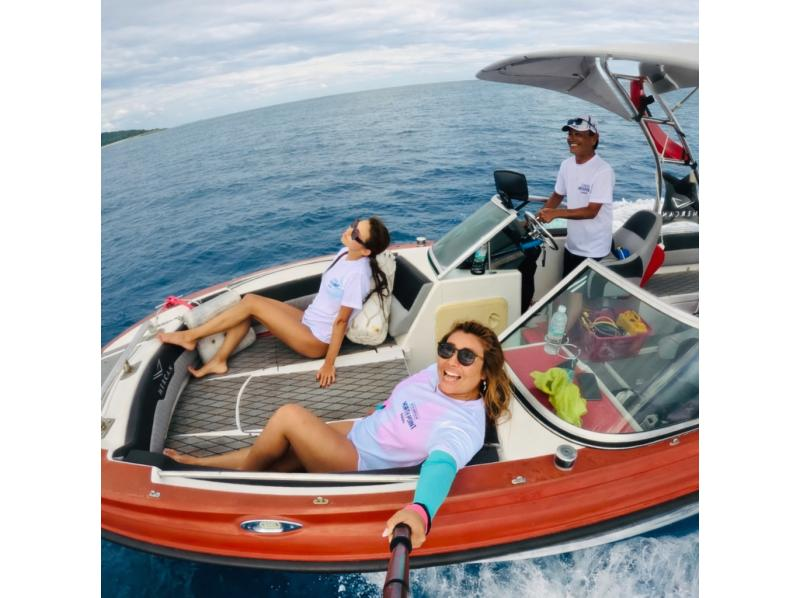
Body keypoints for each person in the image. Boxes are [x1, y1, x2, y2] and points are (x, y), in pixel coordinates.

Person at [163, 320, 512, 549]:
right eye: (447, 349)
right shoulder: (438, 374)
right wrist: (381, 411)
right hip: (363, 429)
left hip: (360, 461)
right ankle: (200, 464)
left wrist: (420, 512)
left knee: (288, 416)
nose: (452, 362)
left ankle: (239, 487)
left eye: (467, 357)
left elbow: (442, 466)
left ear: (485, 370)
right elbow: (404, 397)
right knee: (284, 452)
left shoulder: (463, 425)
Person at [158, 216, 390, 387]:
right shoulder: (343, 253)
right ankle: (218, 361)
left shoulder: (357, 275)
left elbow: (341, 322)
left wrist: (329, 364)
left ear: (366, 251)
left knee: (251, 305)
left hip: (318, 341)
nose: (349, 231)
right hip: (308, 320)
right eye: (354, 224)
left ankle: (190, 337)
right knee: (249, 301)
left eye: (356, 234)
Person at [536, 115, 616, 278]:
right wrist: (536, 219)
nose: (571, 138)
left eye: (578, 134)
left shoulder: (603, 171)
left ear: (593, 139)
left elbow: (591, 211)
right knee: (568, 289)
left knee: (583, 293)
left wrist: (555, 213)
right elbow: (557, 195)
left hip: (594, 250)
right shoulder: (566, 165)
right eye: (570, 134)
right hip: (572, 245)